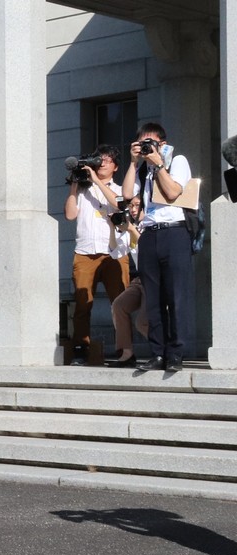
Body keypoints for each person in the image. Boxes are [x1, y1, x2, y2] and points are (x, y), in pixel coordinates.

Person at [121, 123, 192, 372]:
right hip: (149, 234)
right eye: (142, 143)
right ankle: (158, 353)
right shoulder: (142, 170)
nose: (146, 148)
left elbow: (173, 192)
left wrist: (159, 163)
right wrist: (133, 163)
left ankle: (175, 353)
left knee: (176, 296)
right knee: (153, 299)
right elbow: (128, 195)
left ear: (163, 143)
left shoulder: (177, 161)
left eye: (150, 143)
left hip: (175, 232)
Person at [63, 145, 128, 366]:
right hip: (85, 252)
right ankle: (81, 349)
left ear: (116, 167)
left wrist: (97, 181)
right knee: (83, 304)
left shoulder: (120, 189)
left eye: (107, 161)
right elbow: (70, 215)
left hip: (114, 252)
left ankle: (124, 350)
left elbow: (118, 204)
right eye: (99, 160)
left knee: (120, 302)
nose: (102, 164)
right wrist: (74, 185)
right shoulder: (82, 191)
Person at [107, 196, 148, 367]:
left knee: (142, 322)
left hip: (154, 278)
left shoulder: (151, 225)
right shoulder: (130, 228)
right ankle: (127, 353)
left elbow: (146, 248)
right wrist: (112, 228)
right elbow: (115, 253)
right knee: (119, 305)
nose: (133, 209)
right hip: (140, 278)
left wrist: (131, 230)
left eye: (137, 205)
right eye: (131, 205)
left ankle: (166, 350)